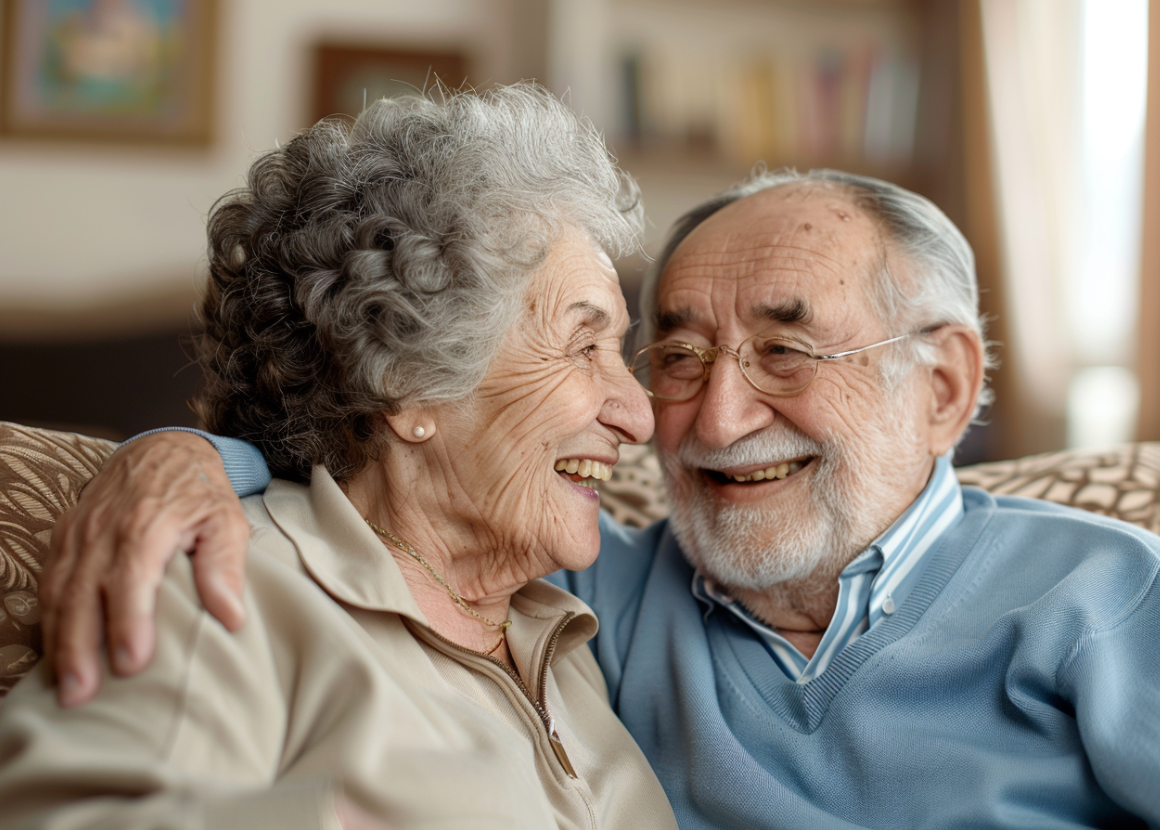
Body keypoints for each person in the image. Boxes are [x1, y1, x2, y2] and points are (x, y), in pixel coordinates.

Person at [45, 169, 1160, 829]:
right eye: (672, 356)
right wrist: (189, 455)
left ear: (937, 383)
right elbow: (393, 482)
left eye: (785, 352)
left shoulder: (1111, 596)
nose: (709, 419)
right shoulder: (584, 589)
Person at [0, 85, 679, 830]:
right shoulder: (231, 590)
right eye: (583, 348)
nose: (638, 414)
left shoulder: (571, 627)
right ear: (409, 385)